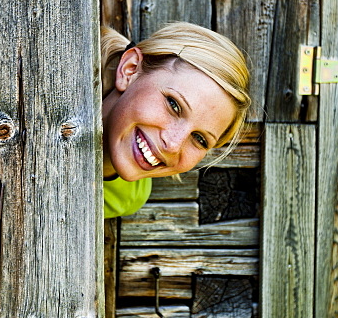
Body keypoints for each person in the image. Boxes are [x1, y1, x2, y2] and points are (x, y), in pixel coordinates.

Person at [100, 22, 251, 218]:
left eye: (199, 139)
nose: (173, 144)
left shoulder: (128, 198)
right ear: (130, 70)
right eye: (174, 105)